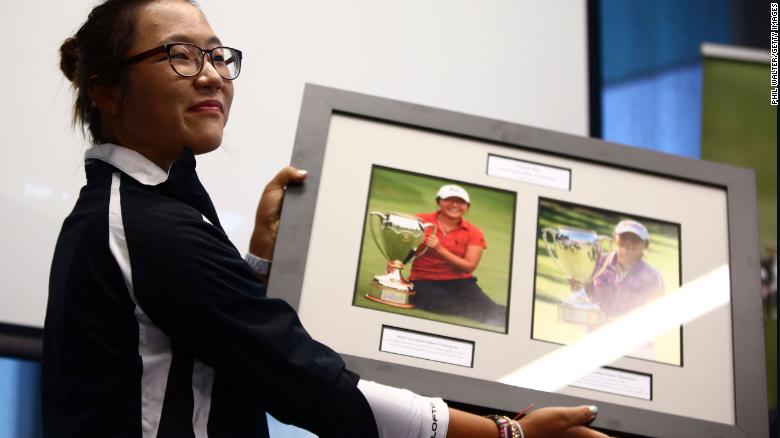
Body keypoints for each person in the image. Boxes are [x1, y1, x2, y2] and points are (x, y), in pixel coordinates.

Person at [43, 1, 610, 436]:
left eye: (218, 55)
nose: (213, 75)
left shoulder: (143, 207)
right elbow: (302, 380)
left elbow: (205, 344)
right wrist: (503, 433)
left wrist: (260, 256)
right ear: (106, 92)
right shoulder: (145, 227)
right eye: (180, 55)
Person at [410, 185, 507, 327]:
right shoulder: (420, 220)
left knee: (489, 309)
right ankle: (473, 311)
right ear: (439, 202)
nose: (455, 205)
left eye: (461, 202)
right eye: (449, 199)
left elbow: (469, 267)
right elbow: (401, 244)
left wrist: (439, 249)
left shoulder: (474, 232)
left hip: (459, 282)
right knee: (443, 304)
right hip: (423, 280)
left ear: (467, 207)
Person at [570, 219, 665, 321]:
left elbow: (655, 314)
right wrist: (578, 290)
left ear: (645, 245)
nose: (628, 241)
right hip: (595, 333)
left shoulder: (652, 276)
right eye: (624, 236)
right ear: (615, 238)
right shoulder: (597, 262)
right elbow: (586, 296)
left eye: (635, 238)